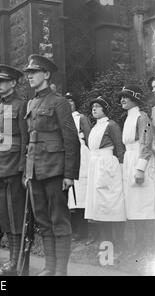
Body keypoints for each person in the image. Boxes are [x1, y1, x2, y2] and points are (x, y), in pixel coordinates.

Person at [22, 54, 80, 276]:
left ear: (46, 74)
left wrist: (69, 174)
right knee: (43, 221)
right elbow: (30, 140)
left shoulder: (60, 102)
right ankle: (49, 267)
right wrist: (28, 172)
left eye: (34, 72)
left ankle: (60, 270)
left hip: (55, 170)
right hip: (35, 170)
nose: (29, 77)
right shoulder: (32, 103)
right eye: (28, 73)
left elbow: (71, 139)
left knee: (59, 220)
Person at [0, 65, 28, 276]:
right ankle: (11, 260)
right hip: (0, 166)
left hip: (14, 167)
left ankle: (17, 262)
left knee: (15, 216)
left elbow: (24, 139)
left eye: (2, 81)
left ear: (13, 83)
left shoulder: (21, 105)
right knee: (4, 216)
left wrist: (22, 169)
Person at [84, 96, 126, 255]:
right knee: (100, 205)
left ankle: (119, 242)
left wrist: (121, 169)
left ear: (105, 109)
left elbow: (119, 147)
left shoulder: (112, 125)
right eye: (93, 107)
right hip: (95, 165)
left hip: (108, 166)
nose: (94, 109)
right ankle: (107, 242)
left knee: (112, 203)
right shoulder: (95, 127)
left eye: (97, 107)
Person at [119, 85, 155, 257]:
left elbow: (146, 143)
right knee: (133, 204)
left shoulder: (143, 117)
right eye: (121, 97)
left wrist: (140, 169)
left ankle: (146, 247)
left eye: (126, 96)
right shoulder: (128, 118)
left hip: (142, 160)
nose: (122, 99)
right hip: (129, 159)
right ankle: (138, 246)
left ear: (136, 99)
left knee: (144, 205)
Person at [64, 92, 92, 242]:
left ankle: (84, 230)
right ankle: (74, 229)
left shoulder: (80, 118)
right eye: (66, 101)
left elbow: (89, 139)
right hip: (69, 156)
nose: (69, 104)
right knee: (71, 195)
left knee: (81, 193)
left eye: (71, 101)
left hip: (82, 157)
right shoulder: (63, 119)